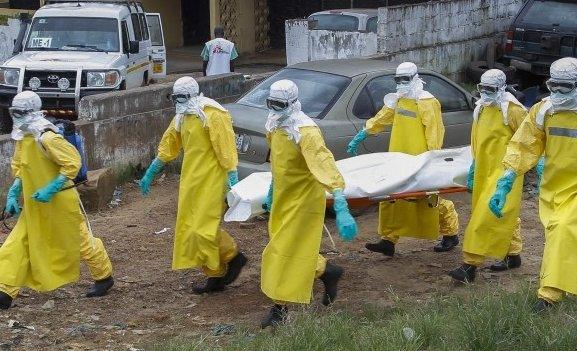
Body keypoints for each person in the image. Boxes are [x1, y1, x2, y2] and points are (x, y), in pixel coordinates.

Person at [489, 57, 577, 312]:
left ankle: (548, 295)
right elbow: (524, 145)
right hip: (552, 185)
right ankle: (574, 280)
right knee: (557, 236)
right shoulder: (543, 110)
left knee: (565, 229)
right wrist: (506, 180)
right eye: (554, 85)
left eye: (566, 86)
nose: (559, 92)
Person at [0, 91, 114, 309]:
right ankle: (5, 290)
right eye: (13, 111)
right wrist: (14, 192)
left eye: (20, 112)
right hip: (34, 204)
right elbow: (20, 166)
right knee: (16, 244)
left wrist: (51, 188)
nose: (16, 116)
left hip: (60, 202)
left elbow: (72, 162)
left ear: (32, 112)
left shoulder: (47, 136)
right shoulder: (23, 138)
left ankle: (104, 276)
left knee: (80, 242)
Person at [260, 79, 358, 328]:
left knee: (282, 251)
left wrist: (340, 202)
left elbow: (324, 164)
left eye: (280, 104)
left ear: (292, 103)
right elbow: (278, 161)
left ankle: (280, 309)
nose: (275, 108)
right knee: (288, 246)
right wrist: (273, 188)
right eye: (271, 103)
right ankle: (326, 270)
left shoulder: (306, 131)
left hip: (304, 199)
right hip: (284, 196)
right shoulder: (275, 125)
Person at [139, 76, 246, 294]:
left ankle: (233, 256)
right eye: (175, 97)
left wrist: (232, 178)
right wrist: (151, 171)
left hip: (213, 180)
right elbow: (169, 143)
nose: (178, 101)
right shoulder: (183, 116)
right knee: (189, 228)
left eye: (181, 97)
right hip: (191, 180)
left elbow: (226, 148)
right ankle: (215, 274)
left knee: (203, 230)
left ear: (192, 94)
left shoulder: (213, 114)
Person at [346, 62, 459, 255]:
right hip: (397, 158)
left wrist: (433, 157)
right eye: (398, 79)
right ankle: (388, 240)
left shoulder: (427, 102)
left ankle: (451, 233)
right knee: (391, 198)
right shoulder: (398, 99)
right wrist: (363, 133)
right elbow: (382, 117)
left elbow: (435, 131)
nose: (401, 83)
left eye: (405, 79)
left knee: (425, 199)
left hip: (419, 159)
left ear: (415, 78)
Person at [448, 69, 527, 283]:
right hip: (484, 168)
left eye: (491, 89)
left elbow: (529, 139)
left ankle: (469, 265)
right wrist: (474, 165)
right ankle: (513, 254)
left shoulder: (512, 110)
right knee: (499, 213)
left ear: (501, 88)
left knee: (483, 216)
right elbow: (478, 139)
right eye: (483, 88)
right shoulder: (481, 108)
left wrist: (535, 164)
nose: (486, 93)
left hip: (505, 171)